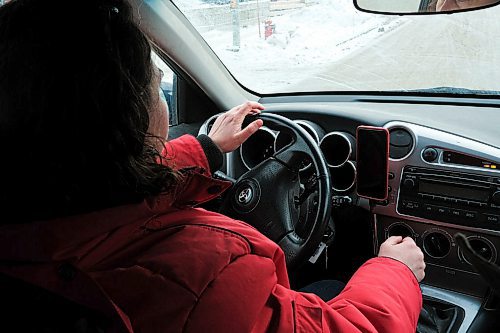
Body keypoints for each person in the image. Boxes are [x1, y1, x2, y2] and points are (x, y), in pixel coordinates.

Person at [0, 0, 425, 332]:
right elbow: (359, 327)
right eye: (154, 81)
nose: (160, 95)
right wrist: (395, 269)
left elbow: (119, 190)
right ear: (123, 118)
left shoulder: (48, 205)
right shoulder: (195, 284)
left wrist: (204, 148)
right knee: (333, 289)